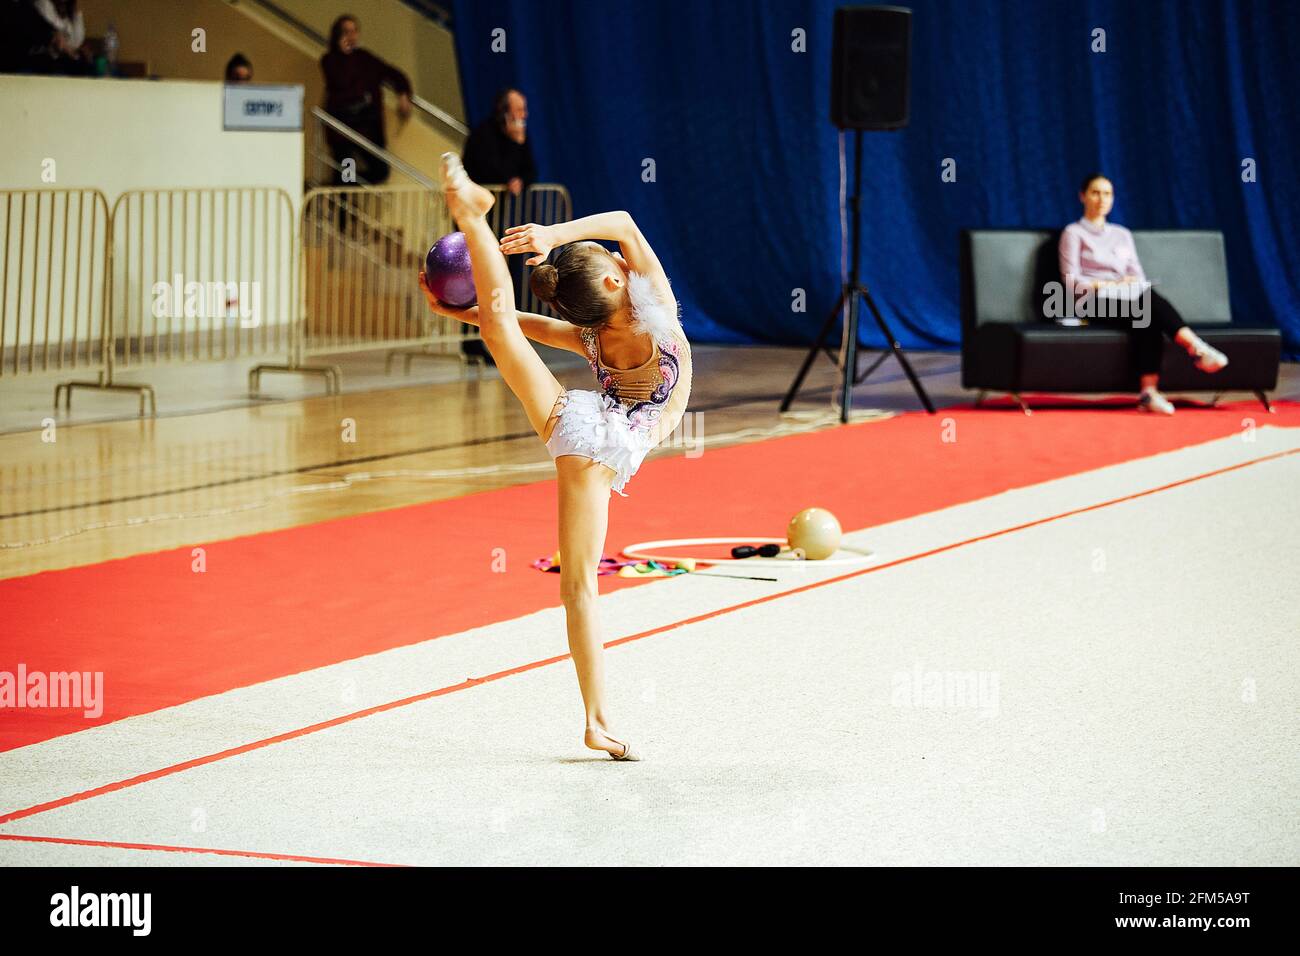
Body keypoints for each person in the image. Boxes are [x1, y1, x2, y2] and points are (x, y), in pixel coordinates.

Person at [419, 153, 692, 761]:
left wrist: (463, 311)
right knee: (579, 587)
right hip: (604, 447)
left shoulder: (597, 330)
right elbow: (623, 222)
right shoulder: (659, 324)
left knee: (496, 330)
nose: (625, 261)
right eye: (620, 264)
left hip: (579, 428)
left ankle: (474, 222)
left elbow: (527, 325)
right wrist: (556, 237)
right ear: (620, 281)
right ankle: (595, 722)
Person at [1059, 173, 1228, 414]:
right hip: (1090, 301)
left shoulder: (1122, 234)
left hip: (1126, 297)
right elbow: (1071, 282)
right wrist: (1104, 285)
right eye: (1095, 192)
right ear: (1082, 196)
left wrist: (1127, 283)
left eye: (1107, 194)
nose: (1101, 199)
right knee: (1146, 308)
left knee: (1146, 310)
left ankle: (1149, 393)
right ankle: (1196, 348)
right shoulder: (1073, 233)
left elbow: (1137, 274)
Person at [319, 14, 412, 185]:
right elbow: (341, 81)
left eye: (354, 31)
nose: (351, 36)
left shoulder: (365, 58)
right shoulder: (329, 60)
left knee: (380, 171)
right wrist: (344, 54)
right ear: (337, 34)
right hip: (344, 131)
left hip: (368, 129)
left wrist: (403, 93)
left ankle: (334, 186)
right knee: (346, 172)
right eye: (346, 31)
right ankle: (340, 197)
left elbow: (393, 73)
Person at [463, 88, 537, 196]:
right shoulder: (483, 134)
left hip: (499, 204)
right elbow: (492, 172)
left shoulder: (520, 134)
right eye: (519, 110)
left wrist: (521, 181)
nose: (524, 115)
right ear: (505, 113)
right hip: (476, 201)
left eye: (524, 110)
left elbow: (531, 171)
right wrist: (514, 143)